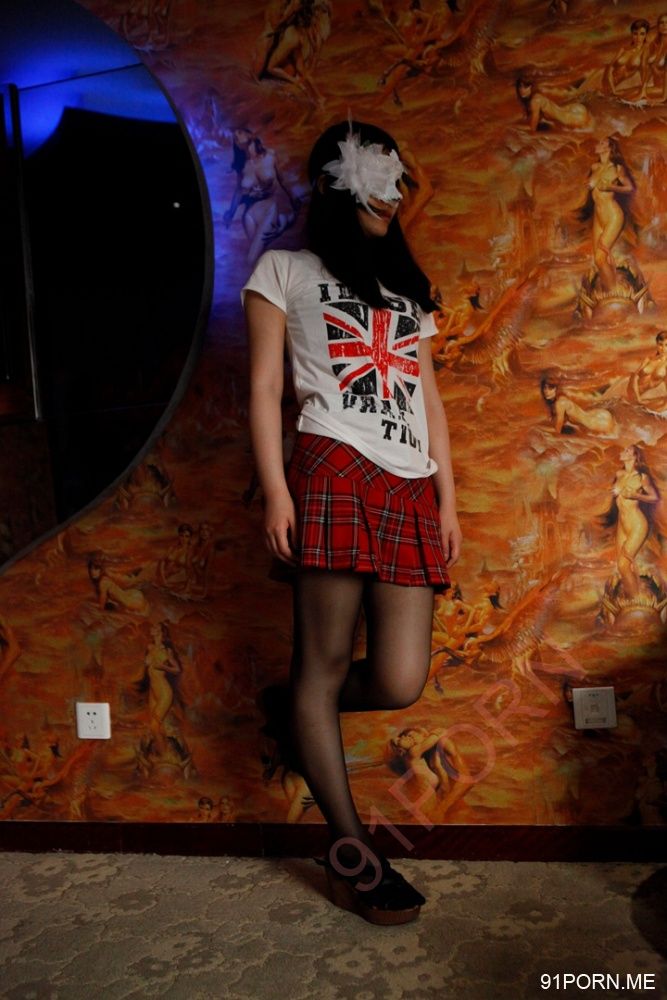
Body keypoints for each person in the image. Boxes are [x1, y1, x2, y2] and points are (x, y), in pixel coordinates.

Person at [243, 121, 461, 924]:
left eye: (398, 181)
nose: (394, 195)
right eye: (379, 180)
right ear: (340, 184)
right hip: (330, 466)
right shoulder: (284, 269)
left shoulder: (407, 292)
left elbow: (428, 403)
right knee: (323, 662)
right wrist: (276, 491)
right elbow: (264, 389)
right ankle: (353, 857)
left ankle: (290, 709)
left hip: (407, 483)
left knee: (398, 679)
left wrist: (447, 499)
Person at [578, 136, 635, 293]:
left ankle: (613, 292)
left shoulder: (617, 168)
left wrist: (611, 187)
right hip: (599, 216)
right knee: (598, 259)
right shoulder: (595, 166)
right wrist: (589, 184)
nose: (598, 144)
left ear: (609, 148)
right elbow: (590, 185)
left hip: (613, 215)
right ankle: (609, 289)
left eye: (602, 143)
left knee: (600, 257)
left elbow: (629, 188)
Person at [604, 444, 660, 599]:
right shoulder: (619, 473)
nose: (622, 452)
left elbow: (654, 497)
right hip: (622, 524)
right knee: (622, 565)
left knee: (624, 564)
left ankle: (635, 598)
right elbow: (617, 494)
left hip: (637, 524)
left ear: (635, 456)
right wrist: (614, 492)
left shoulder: (642, 477)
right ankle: (634, 595)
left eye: (627, 451)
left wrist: (636, 495)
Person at [514, 75, 592, 131]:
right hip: (575, 109)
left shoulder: (535, 101)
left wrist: (514, 127)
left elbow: (532, 128)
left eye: (526, 87)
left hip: (574, 118)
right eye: (520, 87)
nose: (522, 90)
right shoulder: (537, 96)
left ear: (531, 87)